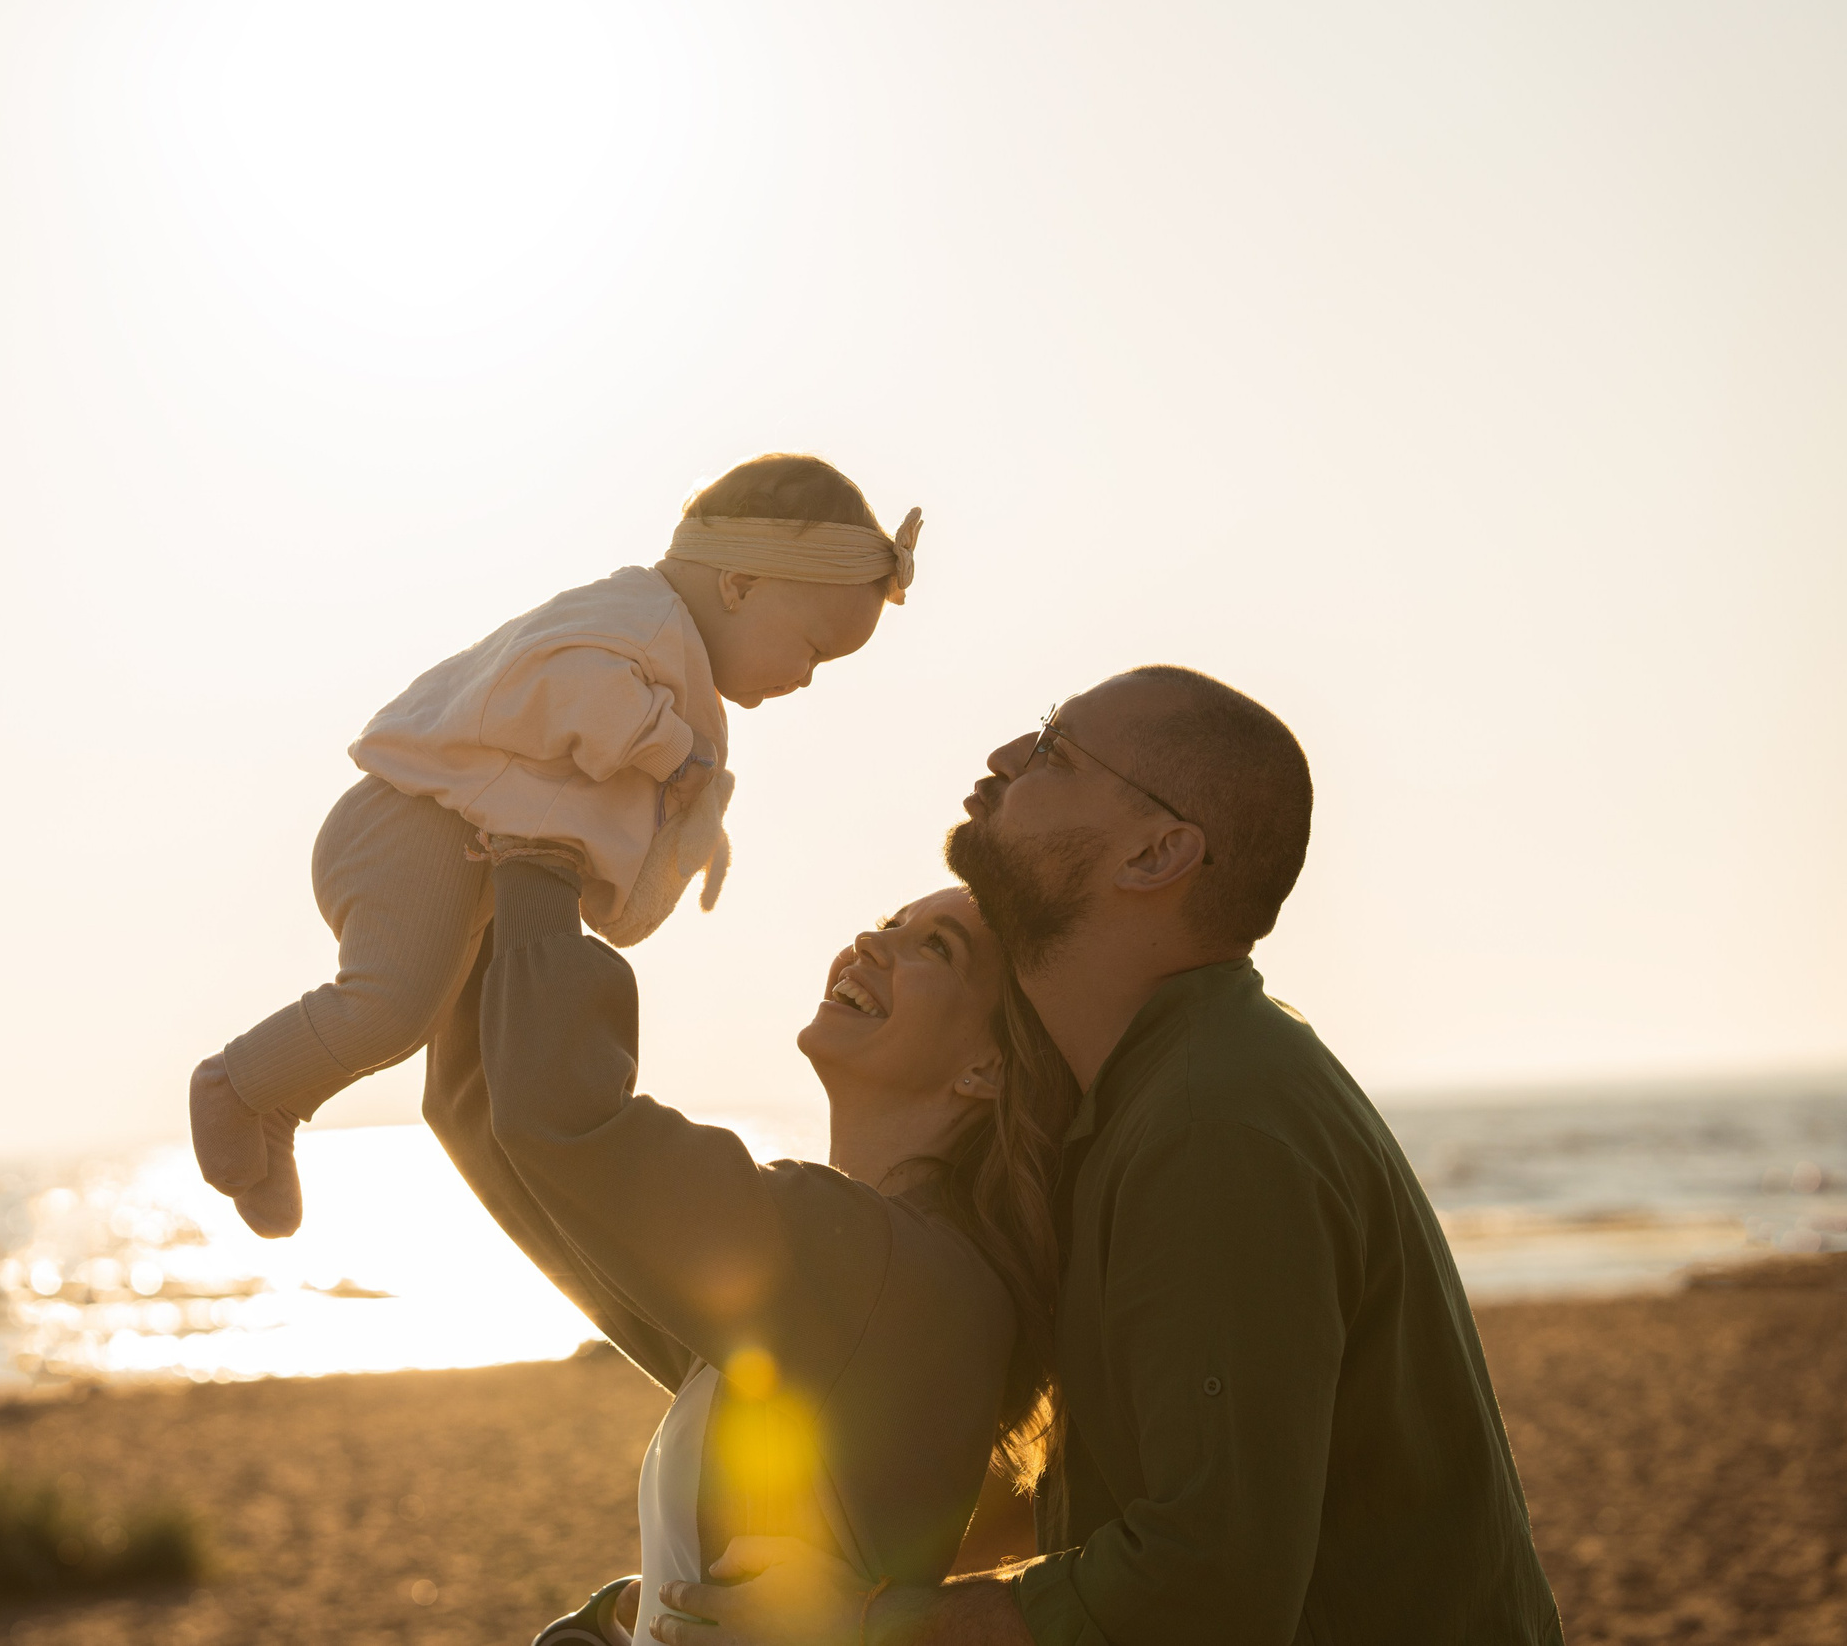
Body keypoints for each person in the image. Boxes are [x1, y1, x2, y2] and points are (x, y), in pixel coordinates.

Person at [655, 667, 1563, 1646]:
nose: (1004, 759)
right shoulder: (1148, 1099)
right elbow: (1121, 1487)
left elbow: (1209, 1583)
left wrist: (872, 1627)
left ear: (1156, 854)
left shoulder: (1214, 1125)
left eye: (1053, 750)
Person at [191, 454, 925, 1236]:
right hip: (413, 822)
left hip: (462, 848)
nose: (808, 678)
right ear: (740, 585)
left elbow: (628, 796)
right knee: (390, 1007)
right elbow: (564, 683)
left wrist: (691, 829)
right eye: (812, 649)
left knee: (430, 1029)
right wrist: (669, 750)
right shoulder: (636, 617)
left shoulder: (678, 666)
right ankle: (235, 1085)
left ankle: (281, 1102)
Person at [425, 851, 1078, 1646]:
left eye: (935, 947)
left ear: (988, 1066)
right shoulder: (856, 1287)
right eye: (888, 923)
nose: (872, 944)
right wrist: (487, 887)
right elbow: (494, 1118)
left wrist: (543, 848)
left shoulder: (888, 1269)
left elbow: (560, 1117)